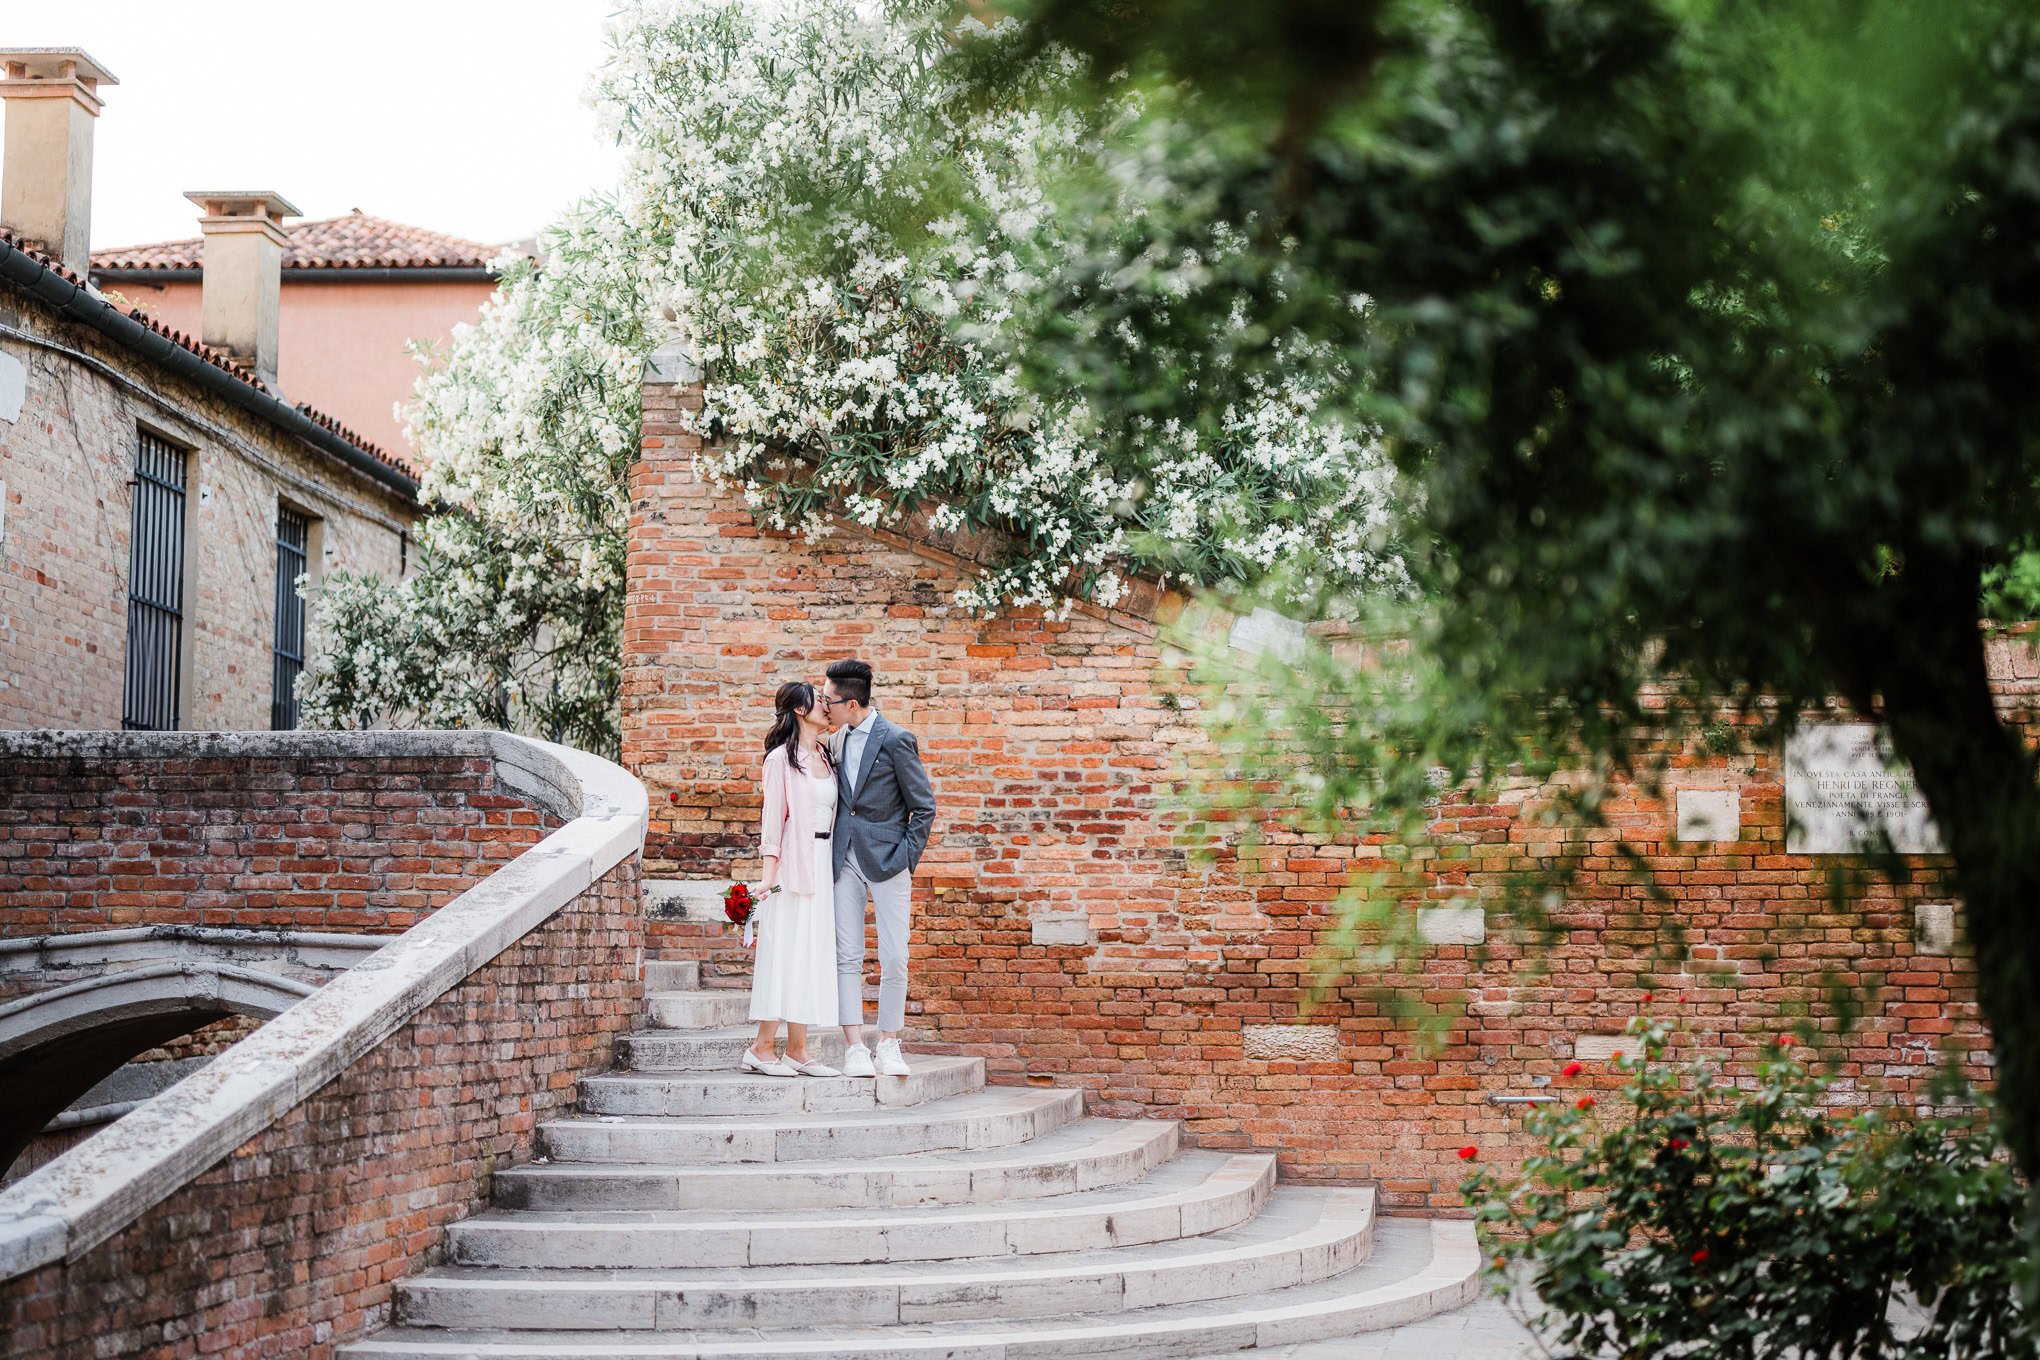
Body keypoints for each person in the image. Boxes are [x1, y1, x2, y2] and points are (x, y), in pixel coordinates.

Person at [822, 659, 937, 1078]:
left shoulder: (896, 739)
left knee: (895, 955)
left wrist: (905, 857)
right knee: (847, 955)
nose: (824, 706)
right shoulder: (833, 742)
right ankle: (854, 1046)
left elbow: (923, 807)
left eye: (829, 700)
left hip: (889, 861)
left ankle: (889, 1041)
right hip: (844, 859)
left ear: (851, 704)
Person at [743, 681, 842, 1077]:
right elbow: (772, 822)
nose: (827, 705)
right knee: (784, 952)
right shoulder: (780, 759)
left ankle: (798, 1050)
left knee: (809, 953)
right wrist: (768, 878)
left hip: (822, 862)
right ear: (800, 710)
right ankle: (761, 1046)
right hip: (791, 865)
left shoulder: (826, 754)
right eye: (820, 701)